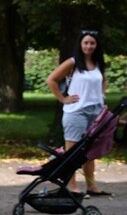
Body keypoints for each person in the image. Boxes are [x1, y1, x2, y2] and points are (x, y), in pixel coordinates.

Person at [46, 29, 109, 196]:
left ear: (96, 45)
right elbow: (51, 80)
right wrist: (63, 99)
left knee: (90, 151)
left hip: (96, 112)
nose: (89, 46)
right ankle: (72, 185)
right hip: (77, 112)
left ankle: (91, 186)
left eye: (92, 43)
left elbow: (103, 80)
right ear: (80, 44)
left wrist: (102, 95)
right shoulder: (73, 62)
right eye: (85, 43)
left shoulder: (98, 63)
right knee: (72, 152)